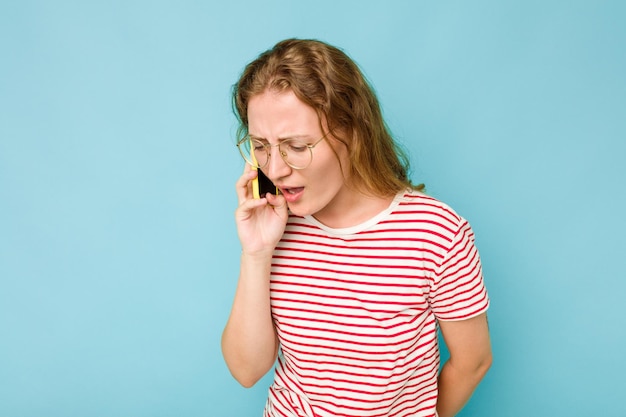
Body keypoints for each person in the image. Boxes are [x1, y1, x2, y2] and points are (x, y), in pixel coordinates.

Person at [222, 38, 492, 417]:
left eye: (296, 146)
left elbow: (473, 361)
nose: (276, 169)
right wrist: (256, 252)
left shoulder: (435, 231)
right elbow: (246, 371)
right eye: (260, 146)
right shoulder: (277, 223)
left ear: (353, 132)